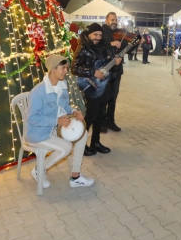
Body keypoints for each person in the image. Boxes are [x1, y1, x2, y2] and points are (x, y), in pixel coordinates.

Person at [25, 54, 95, 188]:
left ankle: (76, 177)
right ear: (52, 69)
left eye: (66, 68)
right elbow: (32, 118)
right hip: (38, 133)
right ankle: (39, 170)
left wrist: (74, 111)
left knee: (82, 134)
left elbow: (65, 106)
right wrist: (56, 120)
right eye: (63, 68)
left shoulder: (62, 84)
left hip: (55, 129)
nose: (66, 71)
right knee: (66, 147)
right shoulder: (39, 91)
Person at [72, 23, 120, 155]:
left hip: (103, 86)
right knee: (91, 116)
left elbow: (107, 67)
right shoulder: (83, 48)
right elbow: (74, 69)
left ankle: (95, 142)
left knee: (101, 115)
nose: (98, 37)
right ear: (89, 34)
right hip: (90, 86)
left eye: (100, 35)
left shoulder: (104, 47)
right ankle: (80, 145)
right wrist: (93, 72)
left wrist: (115, 64)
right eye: (95, 34)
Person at [101, 12, 124, 132]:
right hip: (104, 70)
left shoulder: (119, 33)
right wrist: (111, 43)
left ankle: (111, 121)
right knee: (104, 98)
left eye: (116, 19)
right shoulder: (101, 32)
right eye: (112, 19)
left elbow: (124, 47)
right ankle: (102, 123)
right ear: (106, 21)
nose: (114, 22)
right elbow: (97, 46)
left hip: (117, 70)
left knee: (113, 98)